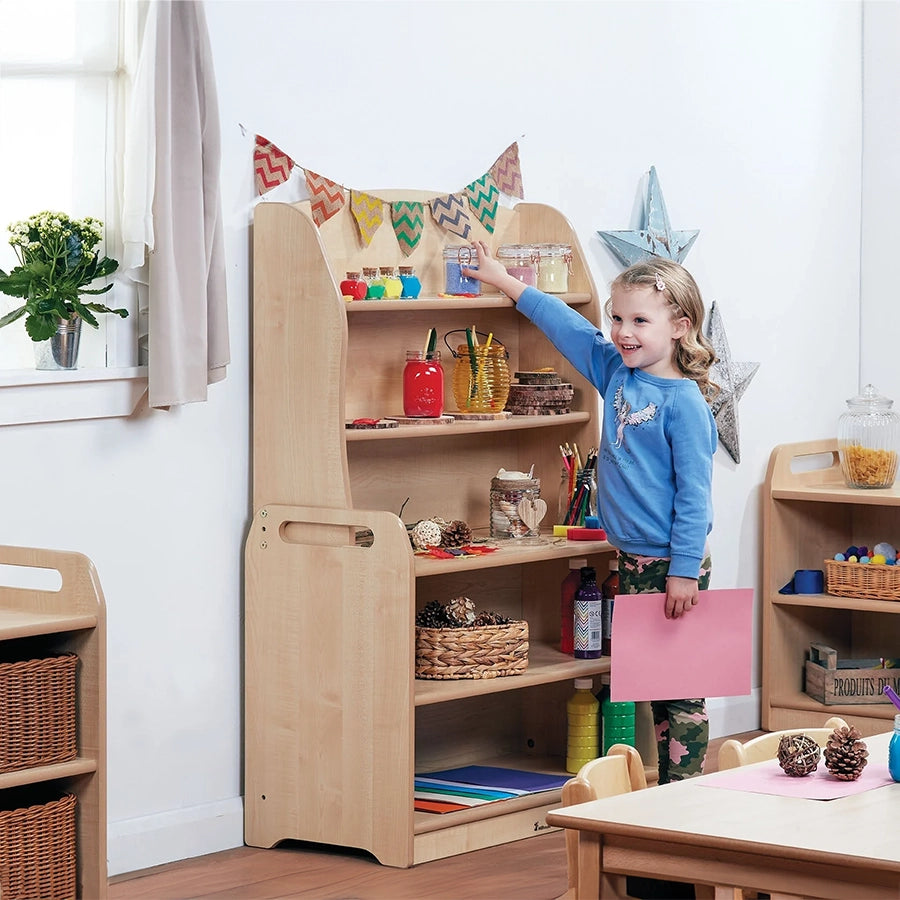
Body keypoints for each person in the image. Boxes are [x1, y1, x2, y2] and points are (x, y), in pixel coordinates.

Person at [463, 242, 718, 785]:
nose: (624, 331)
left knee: (682, 691)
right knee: (654, 685)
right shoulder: (617, 373)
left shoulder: (685, 405)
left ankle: (689, 794)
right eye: (618, 317)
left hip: (673, 563)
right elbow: (569, 328)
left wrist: (682, 571)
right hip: (632, 560)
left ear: (680, 325)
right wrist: (504, 280)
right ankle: (667, 792)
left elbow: (696, 498)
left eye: (640, 321)